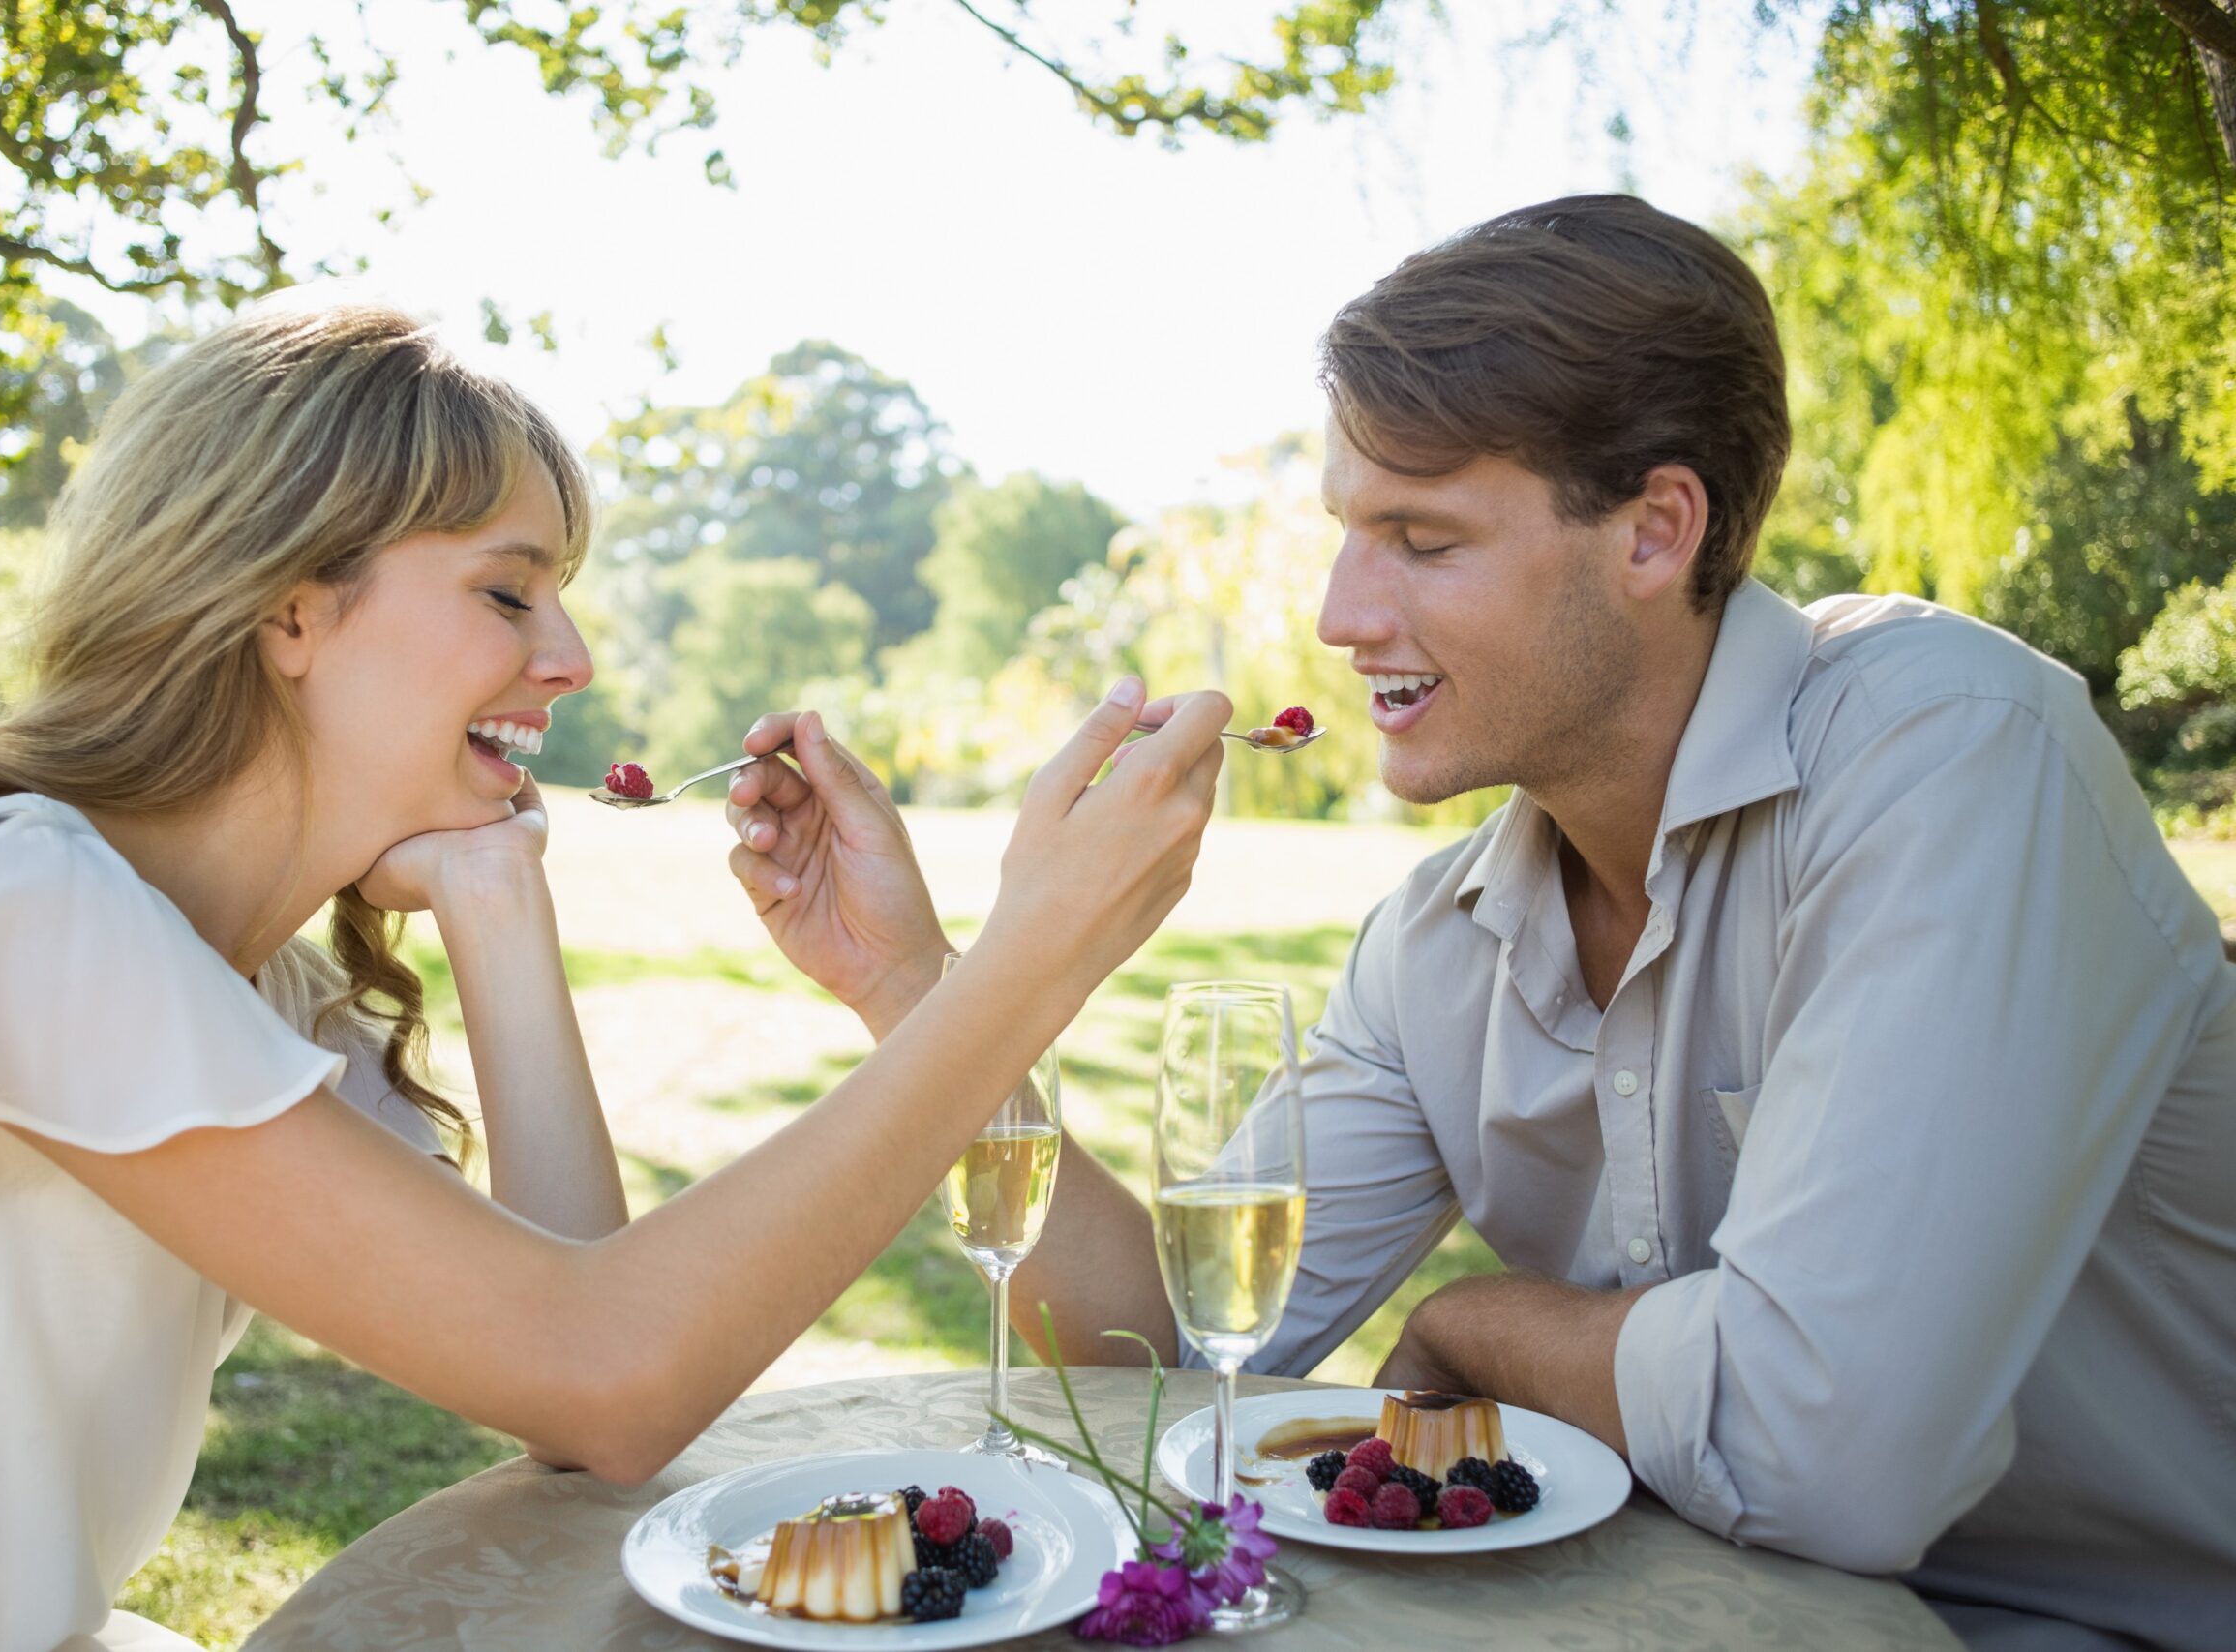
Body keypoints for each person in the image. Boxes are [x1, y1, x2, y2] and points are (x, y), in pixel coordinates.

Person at [729, 196, 2236, 1651]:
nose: (1338, 610)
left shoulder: (1954, 756)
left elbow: (1819, 1453)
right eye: (1347, 529)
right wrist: (926, 985)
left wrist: (1483, 1330)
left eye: (1423, 539)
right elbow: (1163, 1347)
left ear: (1653, 532)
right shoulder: (1439, 943)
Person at [0, 301, 1231, 1652]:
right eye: (509, 594)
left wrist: (494, 894)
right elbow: (606, 1371)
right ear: (289, 609)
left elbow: (584, 1405)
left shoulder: (243, 982)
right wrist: (1030, 964)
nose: (574, 656)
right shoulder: (12, 904)